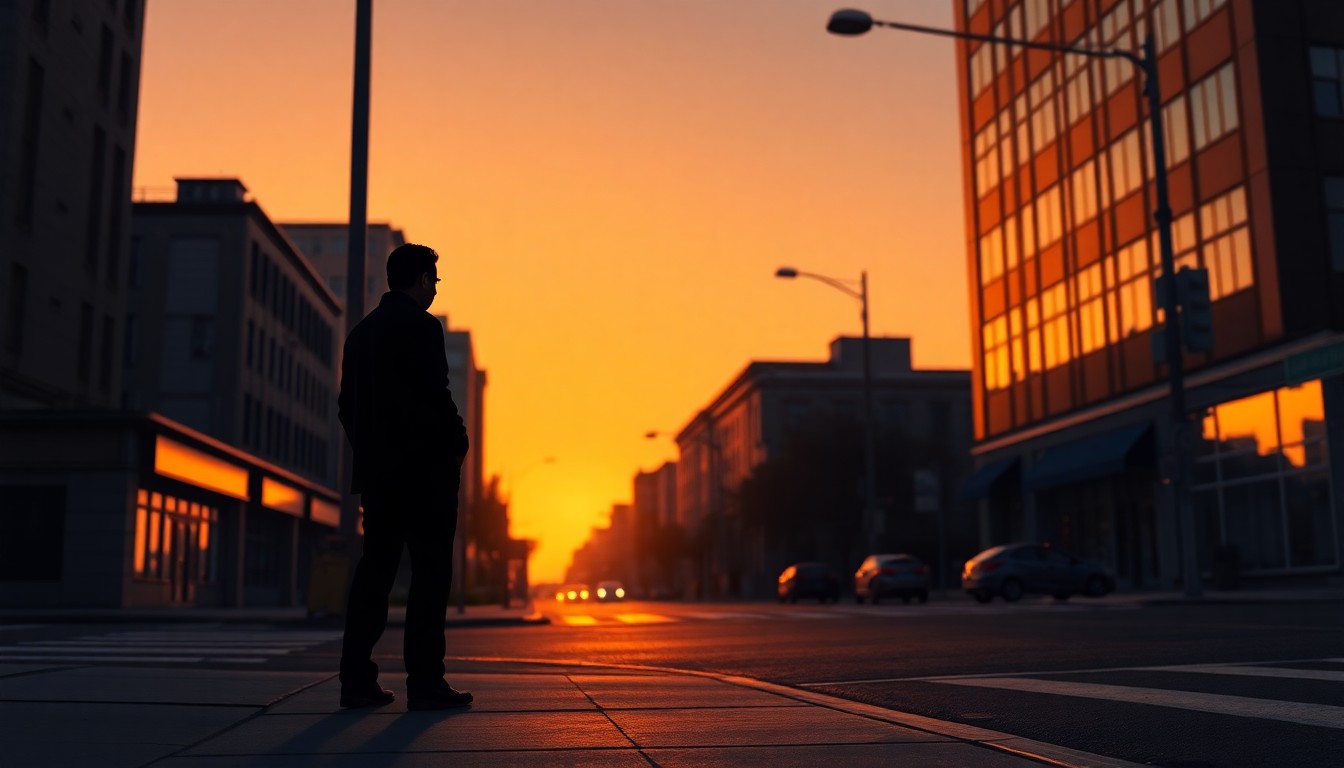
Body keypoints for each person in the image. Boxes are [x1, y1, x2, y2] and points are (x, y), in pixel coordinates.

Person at [337, 243, 472, 710]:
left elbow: (345, 407)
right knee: (430, 576)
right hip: (425, 475)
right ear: (421, 280)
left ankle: (355, 680)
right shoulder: (422, 326)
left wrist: (371, 454)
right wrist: (457, 444)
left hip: (379, 478)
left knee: (375, 573)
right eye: (434, 281)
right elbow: (437, 394)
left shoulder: (360, 334)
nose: (435, 290)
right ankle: (426, 682)